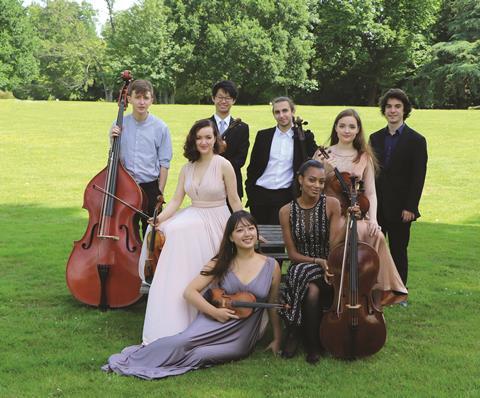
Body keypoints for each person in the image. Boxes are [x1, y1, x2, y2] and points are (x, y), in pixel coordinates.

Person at [102, 211, 282, 380]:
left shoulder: (271, 266)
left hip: (241, 337)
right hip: (213, 320)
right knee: (183, 341)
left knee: (199, 355)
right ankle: (132, 361)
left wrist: (277, 339)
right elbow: (189, 293)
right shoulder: (222, 262)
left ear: (257, 233)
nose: (247, 234)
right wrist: (215, 312)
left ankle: (154, 364)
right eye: (240, 230)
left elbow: (273, 304)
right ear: (230, 237)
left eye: (251, 228)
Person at [141, 119, 243, 345]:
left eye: (208, 137)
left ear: (215, 139)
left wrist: (245, 226)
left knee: (179, 232)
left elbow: (234, 200)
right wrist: (159, 219)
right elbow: (177, 200)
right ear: (193, 141)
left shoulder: (223, 164)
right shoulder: (187, 168)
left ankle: (204, 316)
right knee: (167, 229)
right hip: (193, 213)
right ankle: (171, 316)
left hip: (216, 218)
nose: (204, 142)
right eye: (199, 138)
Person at [313, 108, 408, 305]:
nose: (346, 130)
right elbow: (312, 188)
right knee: (347, 233)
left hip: (357, 212)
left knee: (376, 234)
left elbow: (371, 193)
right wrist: (322, 168)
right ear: (336, 129)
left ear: (358, 131)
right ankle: (346, 289)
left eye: (351, 126)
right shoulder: (324, 154)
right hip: (330, 214)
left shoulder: (364, 156)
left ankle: (380, 288)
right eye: (342, 126)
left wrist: (373, 219)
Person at [279, 160, 344, 364]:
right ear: (300, 180)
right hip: (303, 266)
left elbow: (333, 246)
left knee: (307, 281)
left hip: (327, 272)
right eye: (312, 180)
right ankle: (312, 344)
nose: (317, 186)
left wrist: (327, 264)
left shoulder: (331, 205)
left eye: (321, 182)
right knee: (308, 285)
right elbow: (292, 255)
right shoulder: (286, 211)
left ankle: (294, 329)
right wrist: (317, 261)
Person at [369, 89, 428, 290]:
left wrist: (411, 207)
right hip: (376, 205)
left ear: (404, 110)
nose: (392, 110)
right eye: (389, 106)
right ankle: (374, 287)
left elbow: (418, 177)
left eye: (397, 106)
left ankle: (399, 290)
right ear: (384, 110)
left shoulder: (416, 141)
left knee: (398, 250)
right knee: (373, 249)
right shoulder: (374, 138)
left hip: (402, 208)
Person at [110, 79, 172, 236]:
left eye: (146, 98)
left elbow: (164, 163)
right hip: (125, 186)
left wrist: (160, 193)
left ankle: (148, 262)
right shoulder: (118, 125)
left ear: (152, 100)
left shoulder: (161, 127)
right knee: (126, 232)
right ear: (129, 99)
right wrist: (113, 140)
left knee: (150, 234)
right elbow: (113, 160)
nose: (141, 102)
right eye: (137, 97)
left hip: (150, 188)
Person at [246, 97, 317, 225]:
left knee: (278, 240)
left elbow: (316, 161)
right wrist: (251, 192)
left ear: (292, 111)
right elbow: (253, 167)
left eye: (285, 111)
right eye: (277, 112)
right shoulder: (263, 136)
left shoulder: (304, 137)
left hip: (285, 196)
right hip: (259, 195)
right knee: (257, 238)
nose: (281, 115)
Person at [209, 80, 250, 200]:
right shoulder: (203, 125)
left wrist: (220, 169)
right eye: (220, 97)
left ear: (234, 100)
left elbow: (240, 159)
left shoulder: (242, 128)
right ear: (213, 98)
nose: (223, 101)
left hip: (232, 184)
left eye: (227, 98)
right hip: (207, 184)